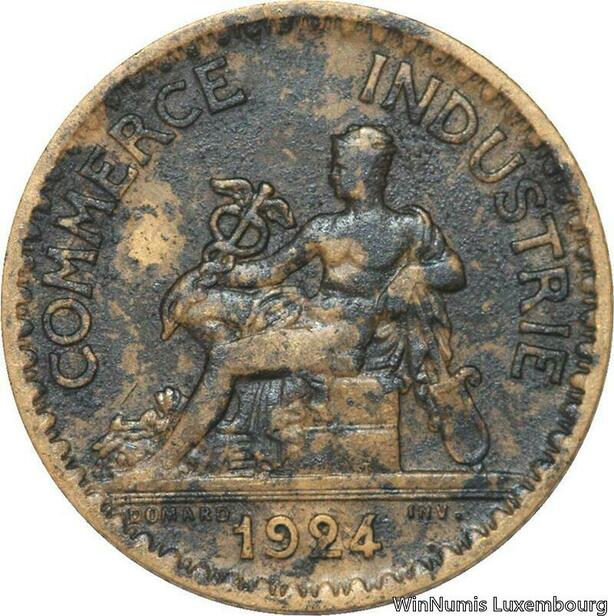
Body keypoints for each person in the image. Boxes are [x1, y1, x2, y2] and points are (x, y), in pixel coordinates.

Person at [141, 124, 466, 471]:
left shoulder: (407, 227)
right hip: (307, 315)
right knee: (198, 305)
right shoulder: (324, 228)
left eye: (340, 167)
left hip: (340, 338)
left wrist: (415, 274)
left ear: (365, 172)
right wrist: (224, 271)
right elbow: (271, 271)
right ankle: (237, 414)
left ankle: (164, 461)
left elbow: (453, 272)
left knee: (225, 360)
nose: (333, 174)